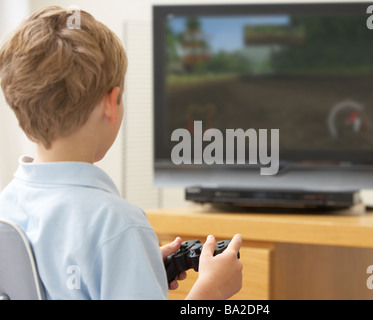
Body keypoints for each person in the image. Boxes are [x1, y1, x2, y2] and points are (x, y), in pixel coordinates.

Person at [0, 6, 242, 300]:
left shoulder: (8, 205)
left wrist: (137, 271)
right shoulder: (117, 224)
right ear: (111, 104)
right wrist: (211, 291)